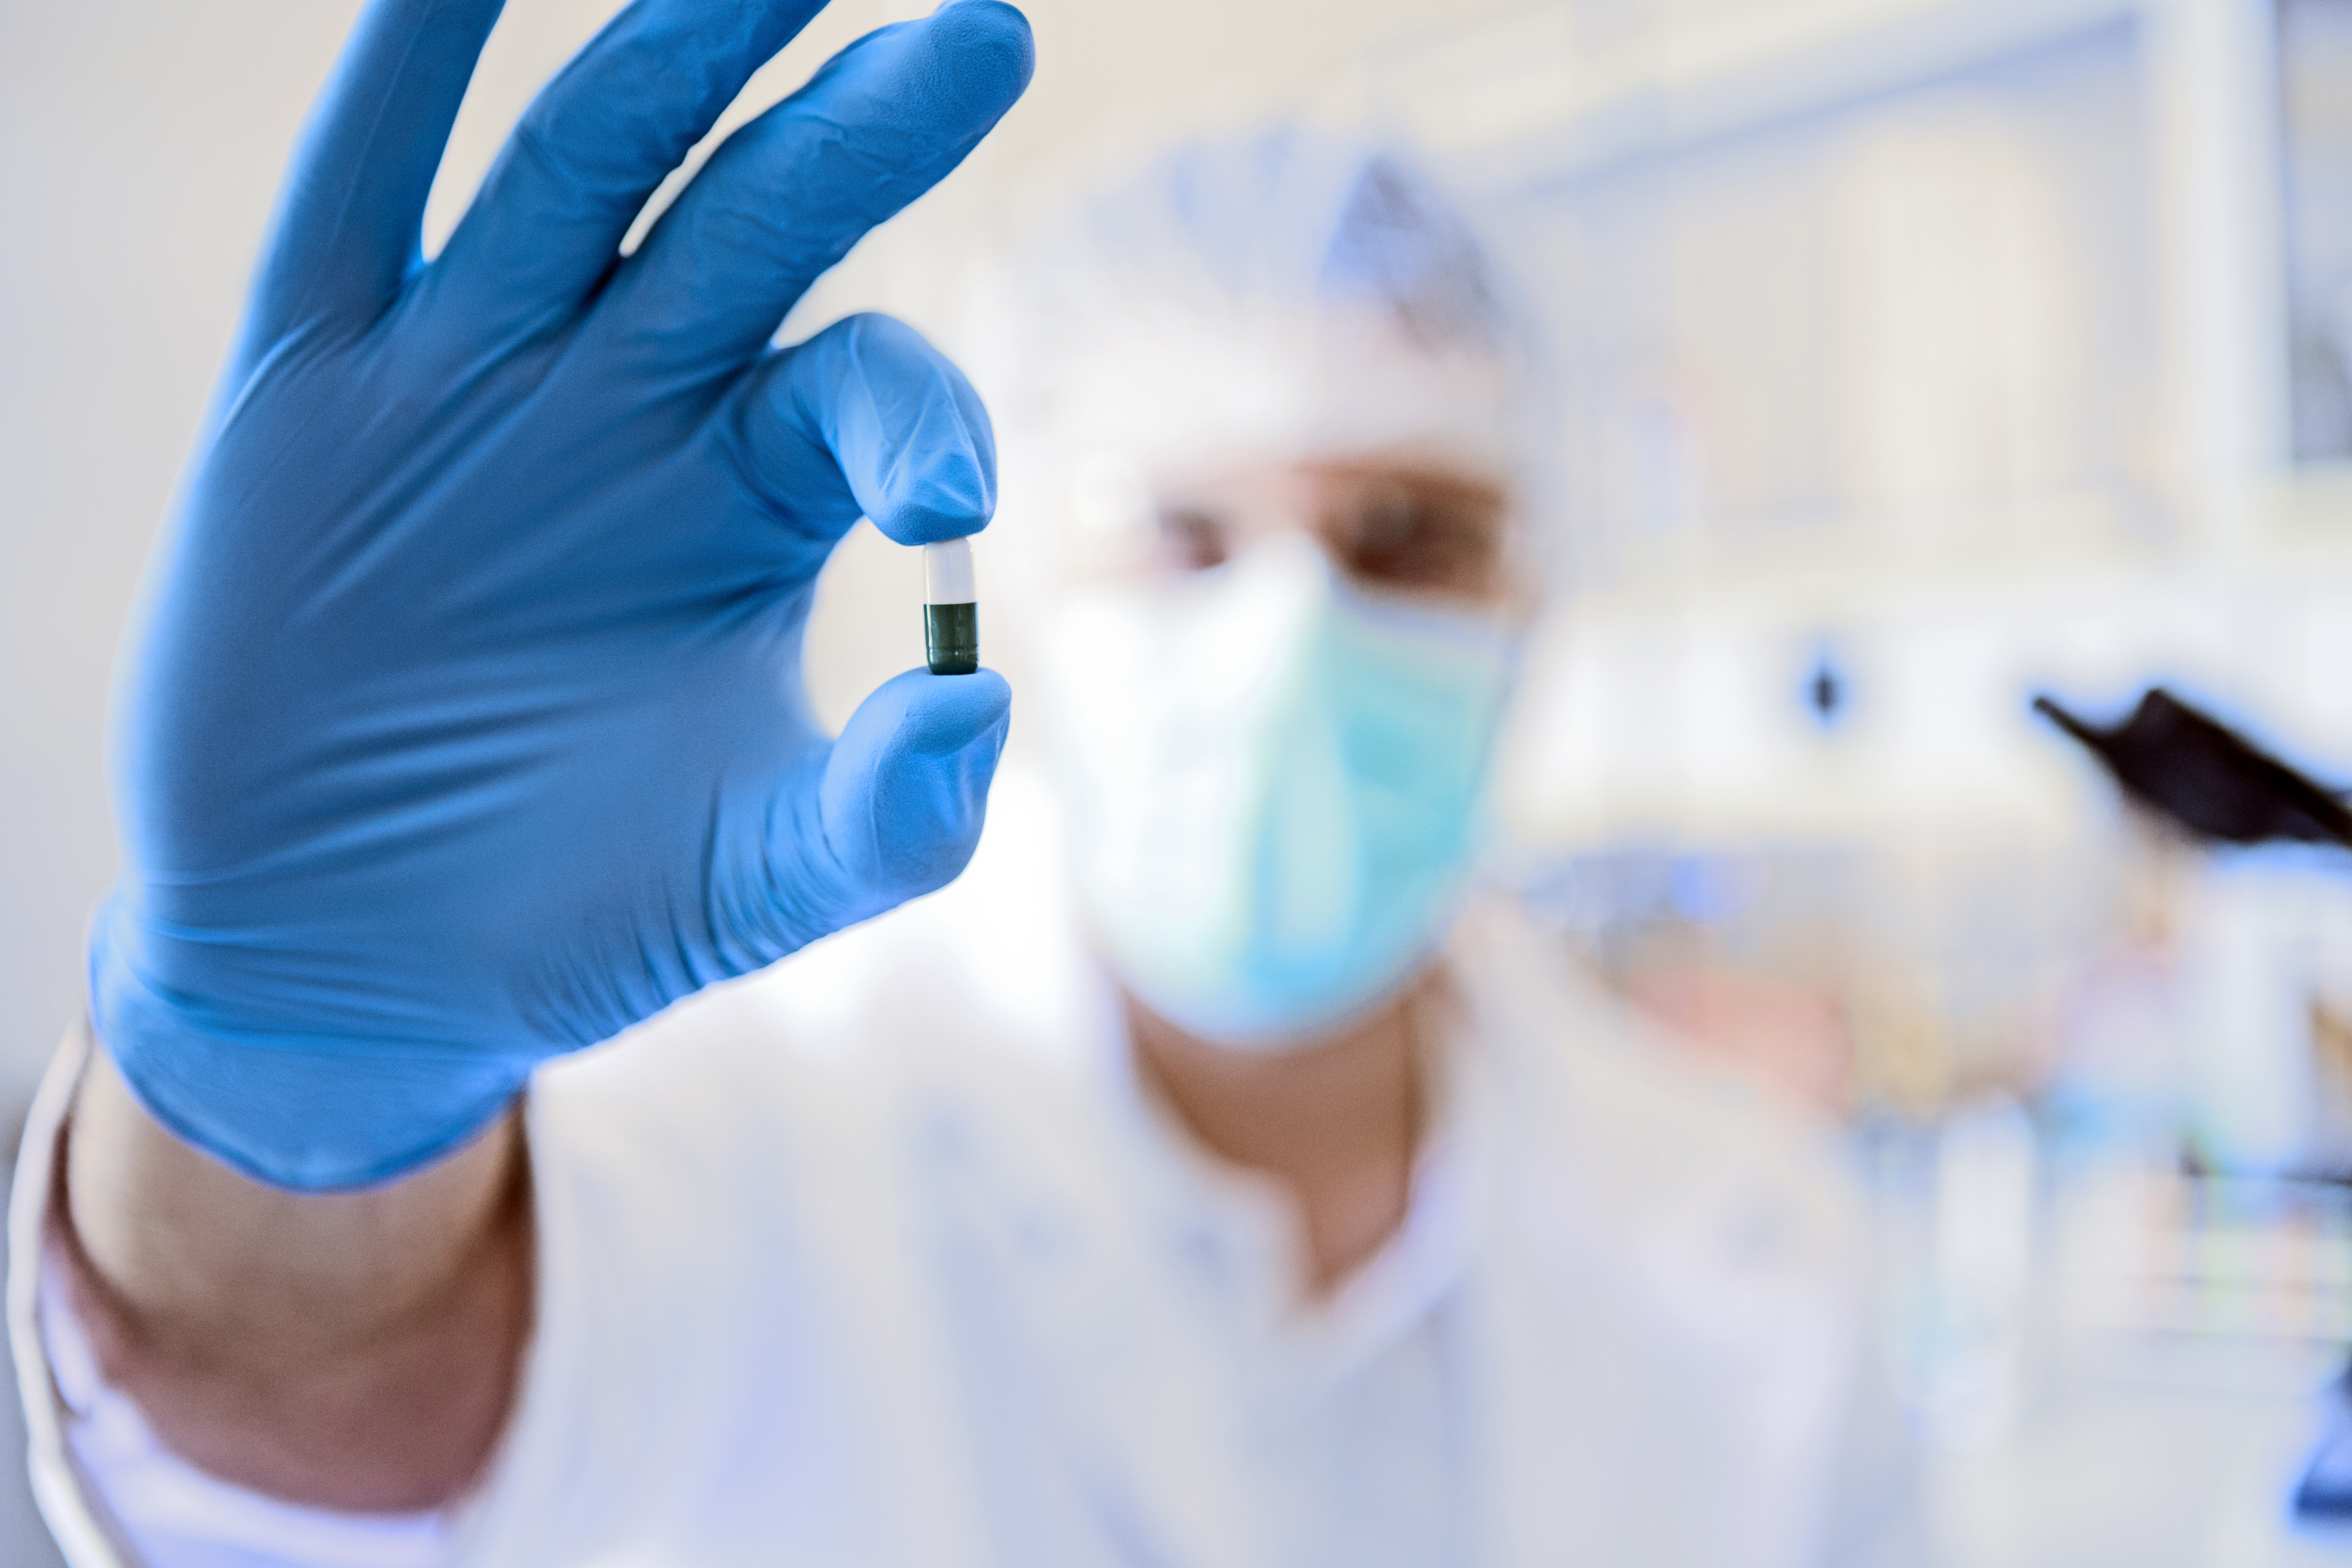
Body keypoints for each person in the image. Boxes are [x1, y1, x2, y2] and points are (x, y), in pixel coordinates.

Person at [13, 2, 1927, 1565]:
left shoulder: (1755, 1249)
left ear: (1539, 588)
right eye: (1185, 533)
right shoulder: (738, 1110)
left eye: (1407, 534)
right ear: (1021, 576)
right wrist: (280, 1104)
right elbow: (316, 1400)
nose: (1289, 636)